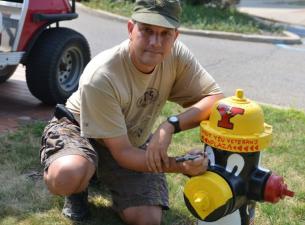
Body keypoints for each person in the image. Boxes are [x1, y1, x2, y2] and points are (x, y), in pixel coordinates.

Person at [40, 0, 224, 224]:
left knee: (148, 220)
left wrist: (170, 126)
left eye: (165, 33)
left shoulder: (177, 56)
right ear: (130, 29)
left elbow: (215, 100)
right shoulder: (102, 75)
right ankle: (81, 182)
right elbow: (124, 155)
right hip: (79, 129)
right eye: (147, 30)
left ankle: (99, 171)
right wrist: (180, 164)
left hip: (128, 136)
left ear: (175, 37)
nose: (155, 42)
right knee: (67, 175)